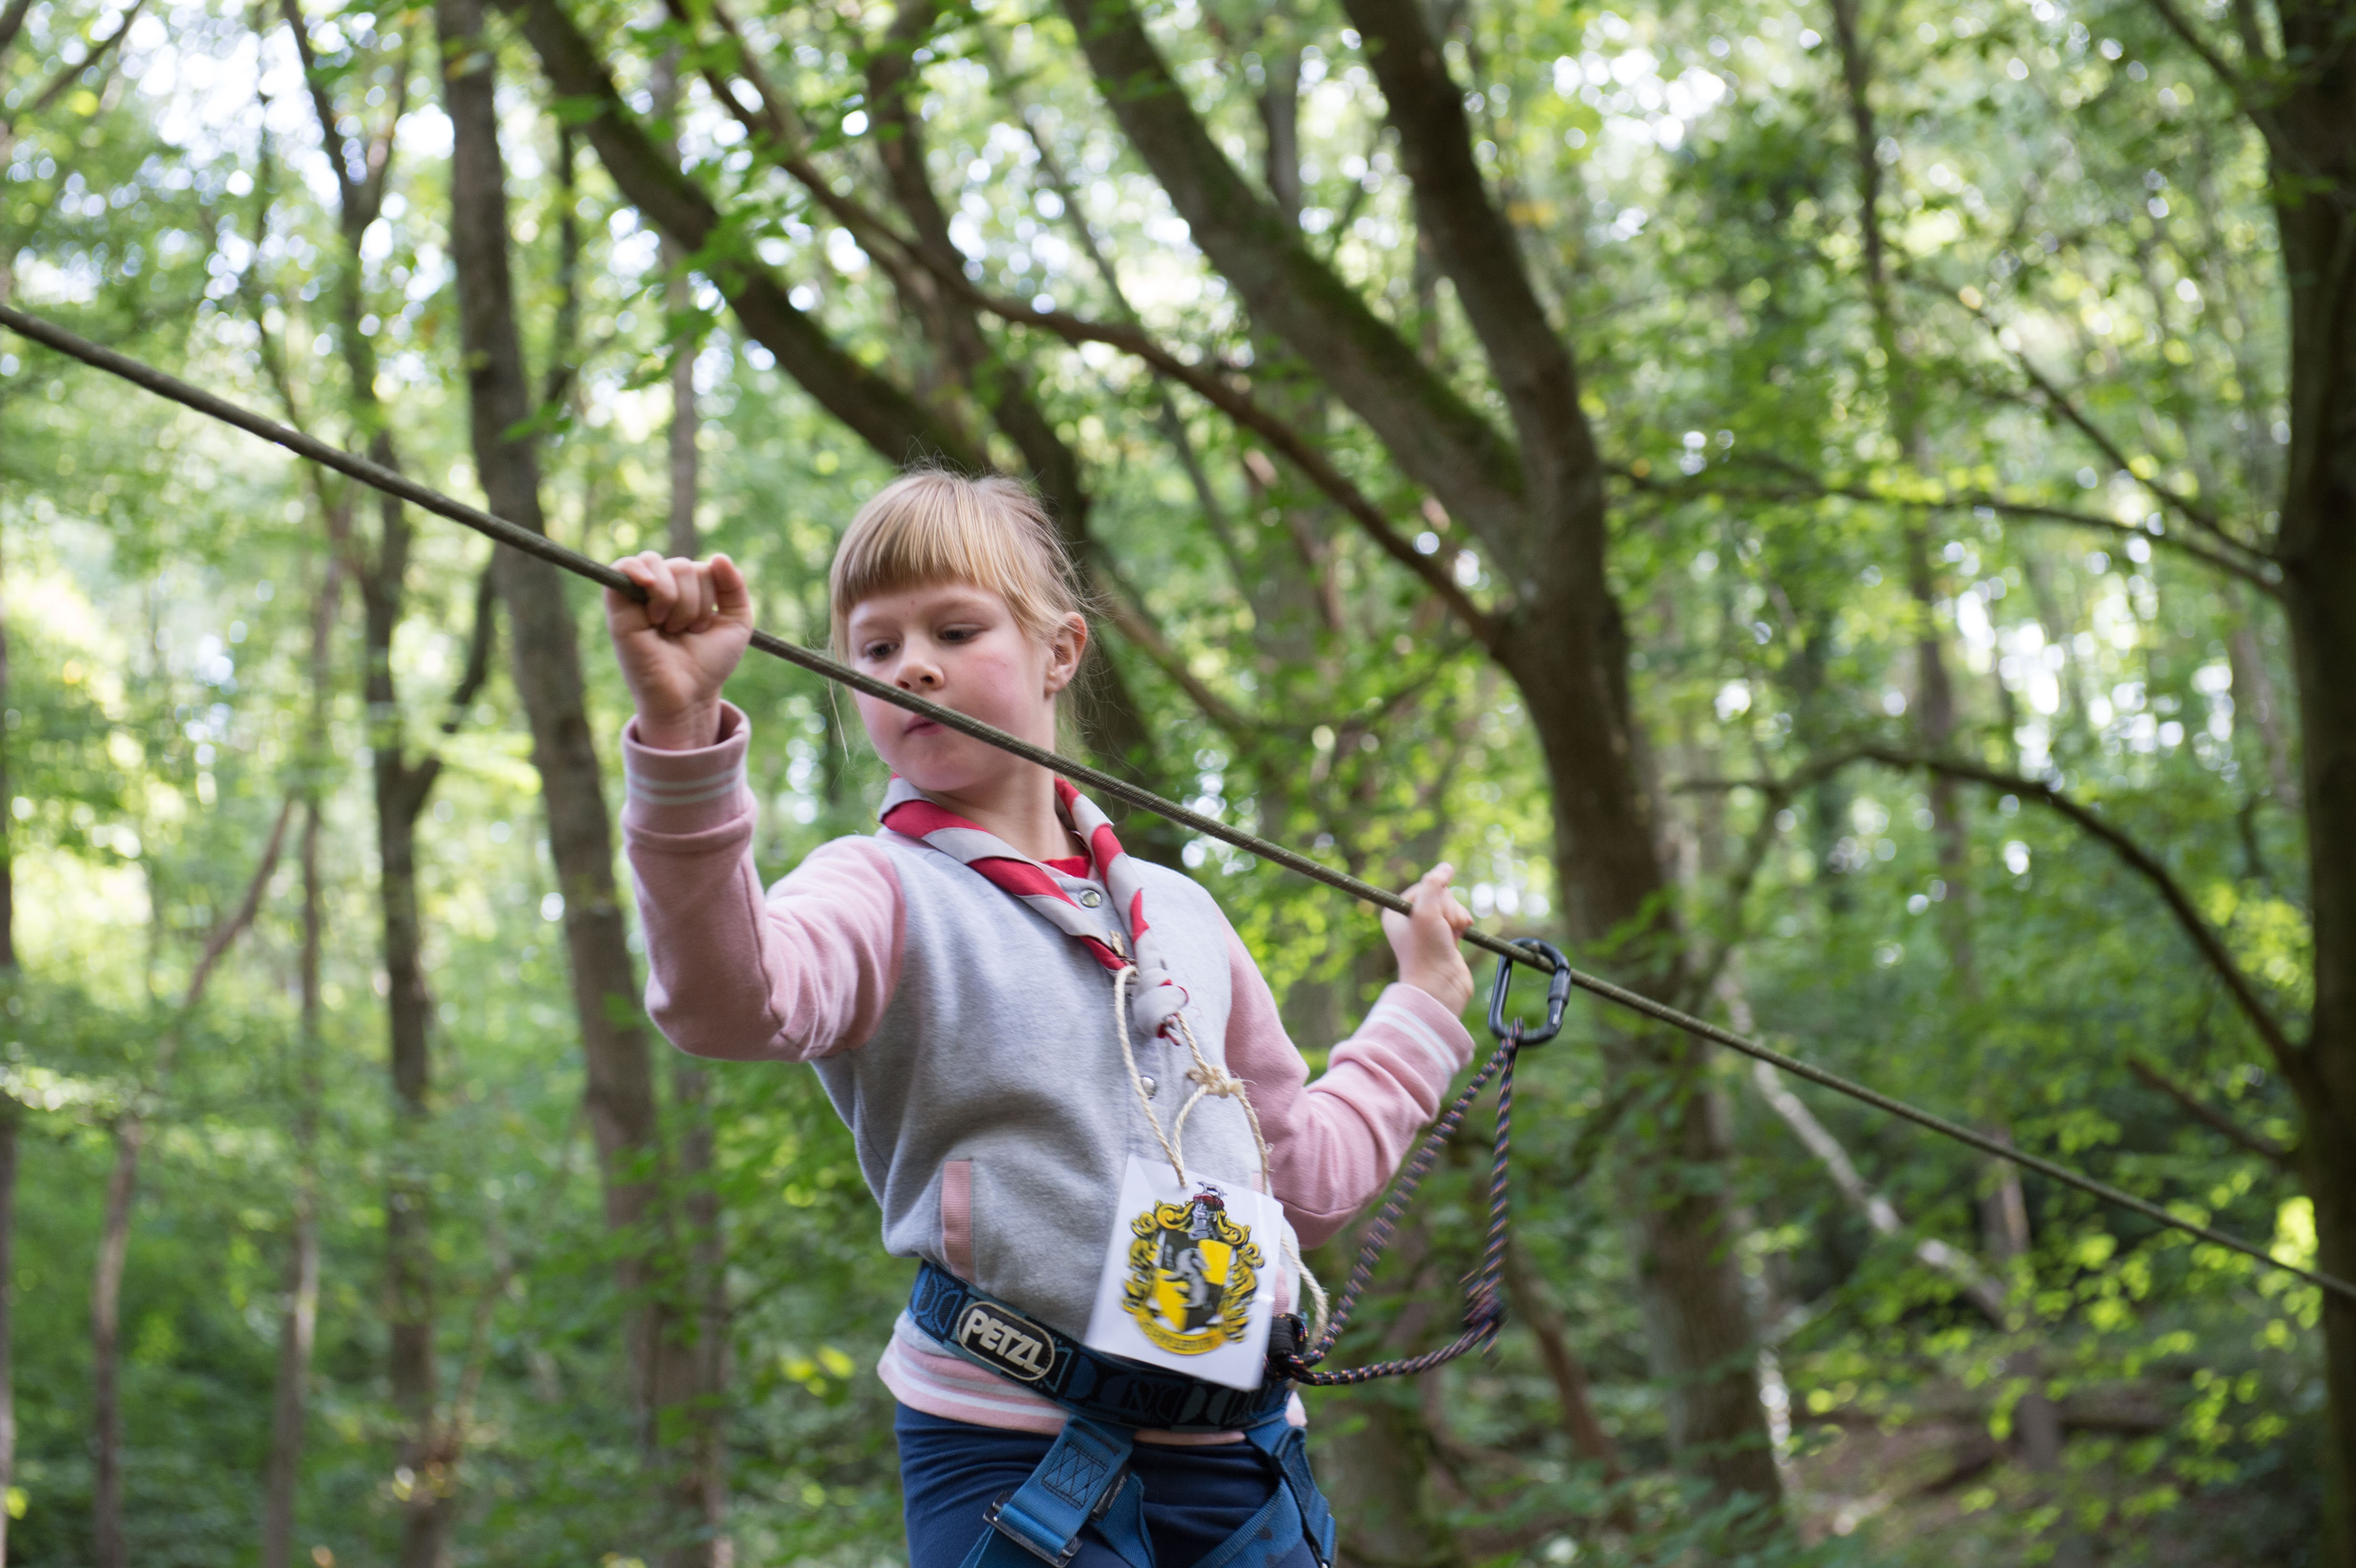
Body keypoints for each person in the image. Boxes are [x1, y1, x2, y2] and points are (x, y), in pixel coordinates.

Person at [605, 469, 1478, 1568]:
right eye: (876, 647)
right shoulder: (878, 888)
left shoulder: (1184, 916)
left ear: (1059, 651)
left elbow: (1302, 1178)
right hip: (1010, 1450)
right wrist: (681, 731)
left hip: (1244, 1465)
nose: (912, 666)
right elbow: (727, 1000)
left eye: (954, 629)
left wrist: (1420, 1010)